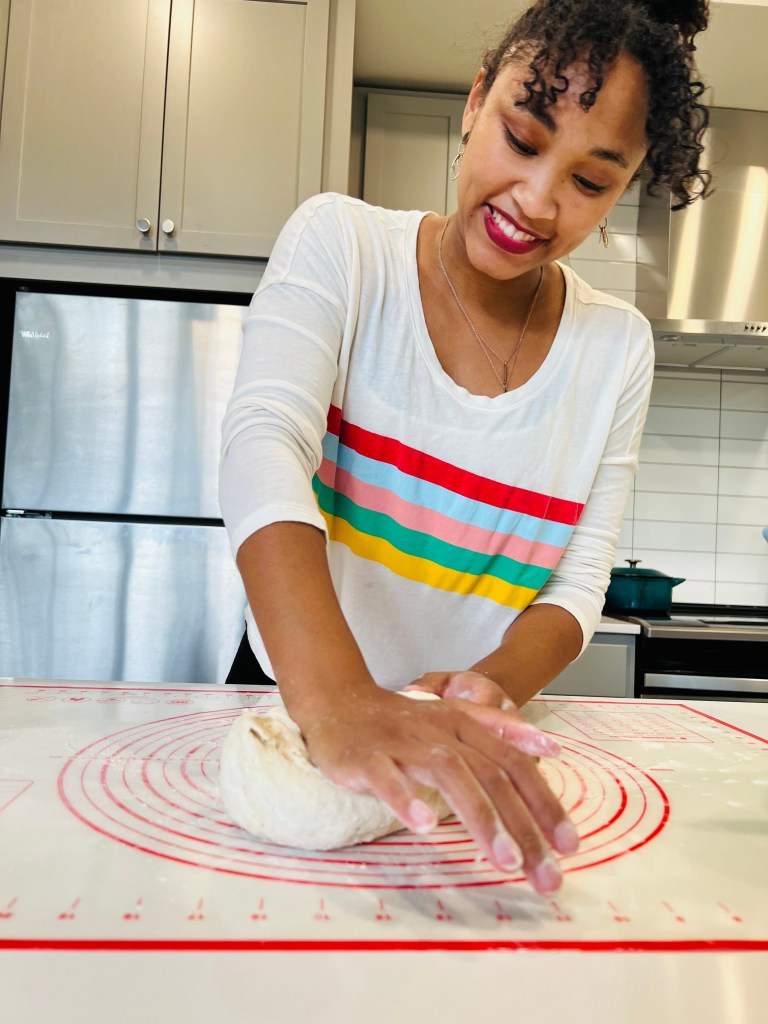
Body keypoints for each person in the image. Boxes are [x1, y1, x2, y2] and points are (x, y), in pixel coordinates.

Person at [219, 0, 711, 894]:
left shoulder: (616, 350)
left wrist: (483, 692)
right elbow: (265, 444)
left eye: (592, 183)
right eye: (522, 140)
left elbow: (576, 582)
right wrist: (337, 699)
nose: (537, 201)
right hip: (294, 703)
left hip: (463, 722)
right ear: (477, 98)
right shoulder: (343, 245)